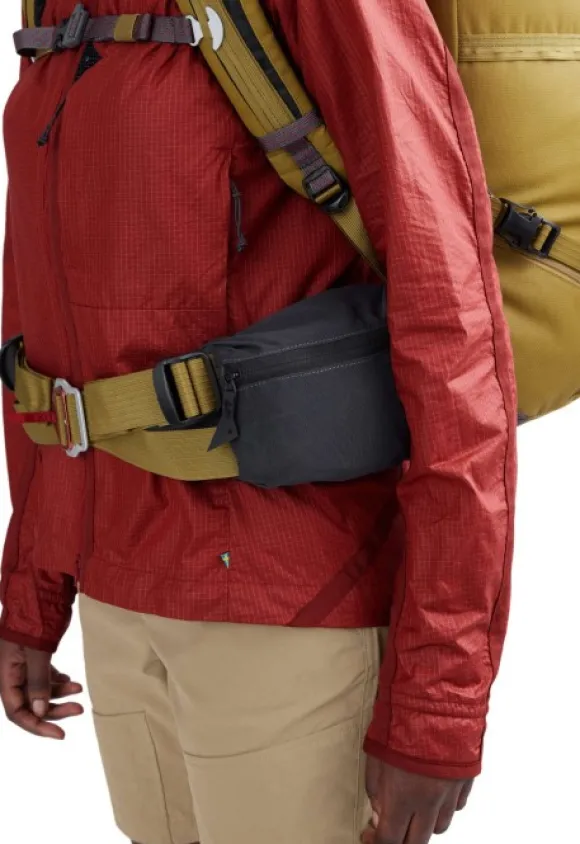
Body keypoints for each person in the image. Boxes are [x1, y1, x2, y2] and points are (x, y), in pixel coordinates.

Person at [0, 1, 516, 843]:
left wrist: (439, 703)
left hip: (287, 602)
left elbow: (454, 337)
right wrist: (32, 590)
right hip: (115, 599)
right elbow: (39, 321)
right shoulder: (56, 8)